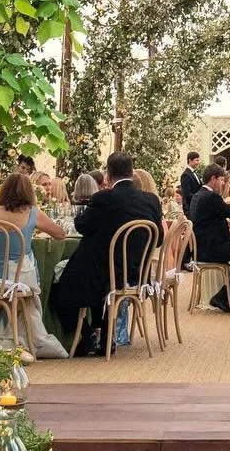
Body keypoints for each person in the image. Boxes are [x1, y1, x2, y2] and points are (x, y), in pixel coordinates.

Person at [50, 151, 164, 356]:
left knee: (61, 287)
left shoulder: (103, 198)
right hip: (138, 274)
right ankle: (102, 334)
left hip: (105, 273)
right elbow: (160, 238)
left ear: (108, 175)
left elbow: (81, 226)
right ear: (131, 172)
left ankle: (87, 336)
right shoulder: (151, 200)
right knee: (90, 273)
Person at [0, 172, 68, 359]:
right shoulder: (32, 213)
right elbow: (60, 234)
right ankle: (25, 339)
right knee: (27, 268)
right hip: (20, 278)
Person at [189, 161, 230, 310]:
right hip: (212, 249)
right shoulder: (211, 197)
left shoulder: (198, 195)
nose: (222, 184)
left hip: (201, 247)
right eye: (221, 180)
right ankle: (224, 297)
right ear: (213, 179)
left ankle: (225, 296)